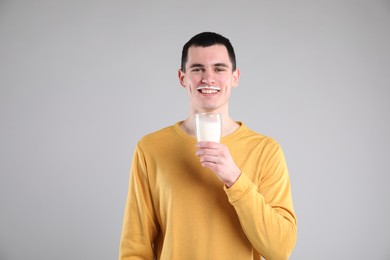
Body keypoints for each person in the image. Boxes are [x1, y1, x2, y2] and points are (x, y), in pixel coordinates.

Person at [119, 32, 297, 260]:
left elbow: (279, 249)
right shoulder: (151, 148)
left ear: (235, 77)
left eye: (219, 68)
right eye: (197, 69)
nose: (208, 78)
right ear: (182, 78)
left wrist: (235, 178)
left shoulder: (266, 150)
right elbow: (135, 248)